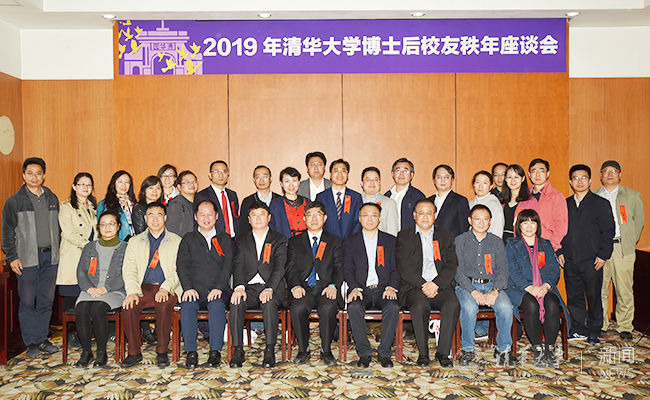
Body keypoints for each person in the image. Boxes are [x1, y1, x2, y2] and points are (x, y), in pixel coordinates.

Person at [1, 157, 60, 357]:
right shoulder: (14, 201)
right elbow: (7, 232)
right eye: (30, 173)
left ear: (44, 176)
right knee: (27, 302)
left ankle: (42, 339)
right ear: (24, 175)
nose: (34, 177)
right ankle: (31, 343)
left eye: (38, 173)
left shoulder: (52, 198)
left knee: (46, 301)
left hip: (50, 259)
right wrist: (12, 257)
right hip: (26, 260)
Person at [396, 199, 460, 367]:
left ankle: (443, 353)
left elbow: (451, 265)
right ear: (414, 215)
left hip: (440, 286)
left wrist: (436, 284)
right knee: (420, 305)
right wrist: (424, 285)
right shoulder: (404, 236)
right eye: (421, 213)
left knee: (453, 304)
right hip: (414, 287)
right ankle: (423, 354)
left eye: (429, 213)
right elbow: (404, 267)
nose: (425, 217)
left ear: (435, 216)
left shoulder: (446, 236)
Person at [120, 202, 183, 368]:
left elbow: (179, 270)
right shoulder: (134, 242)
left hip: (168, 287)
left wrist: (166, 288)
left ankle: (162, 351)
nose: (155, 219)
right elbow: (129, 269)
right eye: (151, 215)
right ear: (145, 218)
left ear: (165, 218)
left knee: (163, 304)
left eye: (159, 215)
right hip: (143, 287)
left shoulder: (177, 241)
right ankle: (134, 352)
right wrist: (132, 292)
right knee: (129, 306)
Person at [558, 165, 615, 344]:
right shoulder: (565, 204)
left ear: (590, 181)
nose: (580, 181)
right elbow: (558, 230)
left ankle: (594, 330)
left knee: (593, 296)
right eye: (575, 178)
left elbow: (608, 231)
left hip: (592, 260)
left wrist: (603, 255)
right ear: (570, 182)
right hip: (569, 259)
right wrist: (559, 251)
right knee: (574, 296)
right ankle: (578, 328)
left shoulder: (600, 203)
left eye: (583, 177)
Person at [506, 210, 569, 367]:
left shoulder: (546, 244)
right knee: (531, 305)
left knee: (552, 304)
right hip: (520, 288)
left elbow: (554, 268)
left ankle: (550, 348)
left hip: (544, 286)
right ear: (519, 226)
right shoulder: (511, 244)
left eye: (532, 222)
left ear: (538, 225)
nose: (529, 226)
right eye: (525, 222)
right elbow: (512, 269)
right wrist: (528, 287)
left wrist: (546, 285)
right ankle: (537, 348)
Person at [455, 205, 516, 366]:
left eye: (485, 219)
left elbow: (503, 269)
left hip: (491, 286)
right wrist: (473, 291)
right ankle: (468, 349)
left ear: (490, 222)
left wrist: (495, 291)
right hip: (467, 286)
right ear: (470, 220)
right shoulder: (460, 241)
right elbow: (457, 271)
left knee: (506, 307)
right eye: (477, 218)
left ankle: (503, 350)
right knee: (469, 307)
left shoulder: (496, 242)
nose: (481, 222)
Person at [229, 201, 287, 368]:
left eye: (262, 214)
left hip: (272, 287)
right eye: (254, 215)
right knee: (236, 302)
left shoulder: (279, 239)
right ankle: (238, 350)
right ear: (249, 219)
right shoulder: (241, 240)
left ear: (269, 217)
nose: (258, 218)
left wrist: (270, 288)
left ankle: (269, 350)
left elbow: (279, 267)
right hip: (249, 288)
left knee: (269, 303)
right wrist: (239, 287)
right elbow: (238, 265)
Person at [286, 201, 343, 366]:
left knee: (328, 307)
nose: (314, 218)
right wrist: (295, 286)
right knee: (298, 308)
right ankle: (303, 350)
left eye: (318, 214)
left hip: (325, 287)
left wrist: (333, 285)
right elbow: (290, 268)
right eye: (310, 215)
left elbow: (339, 267)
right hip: (303, 287)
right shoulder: (295, 241)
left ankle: (326, 350)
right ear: (304, 219)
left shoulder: (335, 241)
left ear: (325, 218)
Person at [177, 199, 232, 368]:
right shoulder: (188, 239)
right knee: (187, 305)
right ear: (195, 217)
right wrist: (188, 288)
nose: (206, 218)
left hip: (219, 290)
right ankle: (191, 352)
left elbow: (228, 266)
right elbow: (181, 266)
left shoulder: (225, 239)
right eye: (202, 214)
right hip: (194, 290)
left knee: (216, 305)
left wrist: (219, 287)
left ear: (216, 216)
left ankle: (215, 352)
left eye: (210, 214)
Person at [344, 203, 399, 368]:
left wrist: (392, 286)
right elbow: (347, 269)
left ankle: (385, 353)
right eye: (365, 215)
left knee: (393, 307)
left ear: (379, 218)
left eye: (374, 215)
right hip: (361, 289)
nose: (370, 219)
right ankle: (364, 353)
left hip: (384, 289)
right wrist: (353, 288)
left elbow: (396, 268)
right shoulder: (350, 241)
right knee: (353, 307)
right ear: (360, 218)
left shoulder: (390, 240)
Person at [597, 161, 644, 340]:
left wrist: (629, 241)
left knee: (624, 289)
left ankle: (624, 325)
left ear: (620, 175)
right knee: (599, 288)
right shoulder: (594, 196)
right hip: (600, 248)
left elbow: (638, 222)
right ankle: (601, 324)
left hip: (622, 247)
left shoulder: (632, 195)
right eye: (606, 171)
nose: (610, 174)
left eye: (614, 171)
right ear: (601, 175)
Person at [75, 211, 127, 368]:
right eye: (103, 224)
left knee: (98, 308)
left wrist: (106, 288)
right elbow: (81, 271)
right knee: (81, 309)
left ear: (118, 226)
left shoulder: (126, 248)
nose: (107, 227)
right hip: (90, 290)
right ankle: (86, 352)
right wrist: (88, 288)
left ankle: (101, 352)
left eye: (111, 224)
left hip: (115, 291)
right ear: (98, 227)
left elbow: (127, 273)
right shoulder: (89, 247)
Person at [57, 172, 98, 349]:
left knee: (87, 296)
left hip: (92, 258)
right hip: (74, 255)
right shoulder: (66, 207)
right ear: (74, 187)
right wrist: (88, 246)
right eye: (81, 184)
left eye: (89, 185)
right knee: (71, 296)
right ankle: (69, 334)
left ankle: (83, 333)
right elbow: (68, 233)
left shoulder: (94, 207)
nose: (85, 188)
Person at [316, 159, 362, 239]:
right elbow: (319, 222)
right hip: (328, 242)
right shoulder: (321, 197)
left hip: (350, 242)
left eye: (343, 171)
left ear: (347, 175)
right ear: (330, 175)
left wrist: (351, 241)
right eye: (336, 171)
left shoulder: (356, 197)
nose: (340, 174)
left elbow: (358, 222)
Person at [528, 159, 568, 251]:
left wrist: (551, 247)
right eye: (534, 171)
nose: (537, 175)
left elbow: (561, 226)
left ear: (547, 174)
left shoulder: (556, 196)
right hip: (526, 247)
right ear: (529, 174)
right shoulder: (525, 196)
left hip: (546, 246)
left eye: (541, 171)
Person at [195, 160, 240, 238]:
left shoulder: (232, 195)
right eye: (216, 171)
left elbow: (235, 218)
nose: (221, 175)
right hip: (214, 240)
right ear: (210, 175)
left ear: (228, 174)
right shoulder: (202, 196)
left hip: (233, 240)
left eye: (224, 171)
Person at [500, 164, 538, 242]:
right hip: (502, 243)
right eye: (510, 177)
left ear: (523, 178)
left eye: (516, 177)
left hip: (520, 243)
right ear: (505, 179)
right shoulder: (501, 200)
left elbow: (535, 225)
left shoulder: (530, 201)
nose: (513, 180)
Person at [385, 158, 426, 231]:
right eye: (398, 170)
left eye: (405, 171)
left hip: (409, 237)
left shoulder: (418, 197)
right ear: (393, 174)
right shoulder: (386, 196)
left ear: (412, 175)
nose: (401, 174)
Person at [429, 164, 470, 237]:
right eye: (439, 177)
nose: (443, 181)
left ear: (452, 180)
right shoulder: (428, 201)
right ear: (434, 180)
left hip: (451, 243)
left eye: (446, 177)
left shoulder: (460, 201)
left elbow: (464, 230)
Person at [269, 167, 310, 239]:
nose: (291, 185)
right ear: (281, 184)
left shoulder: (307, 202)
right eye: (287, 181)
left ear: (299, 182)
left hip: (306, 242)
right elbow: (271, 228)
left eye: (294, 180)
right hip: (284, 243)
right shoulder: (275, 204)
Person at [240, 165, 280, 235]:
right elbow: (243, 227)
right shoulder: (247, 201)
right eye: (258, 177)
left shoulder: (280, 200)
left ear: (271, 179)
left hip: (277, 240)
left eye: (265, 176)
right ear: (254, 180)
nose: (261, 180)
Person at [97, 171, 137, 241]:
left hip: (136, 243)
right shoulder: (104, 204)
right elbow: (102, 228)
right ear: (114, 184)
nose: (123, 185)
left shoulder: (135, 204)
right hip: (117, 243)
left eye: (127, 182)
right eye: (120, 181)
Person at [360, 167, 399, 236]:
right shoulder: (355, 201)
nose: (372, 183)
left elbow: (392, 233)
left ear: (380, 183)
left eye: (375, 180)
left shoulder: (389, 204)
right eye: (368, 180)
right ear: (362, 183)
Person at [469, 171, 504, 238]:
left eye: (485, 183)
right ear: (473, 185)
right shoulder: (470, 203)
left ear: (491, 186)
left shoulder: (494, 204)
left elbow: (497, 229)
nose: (480, 186)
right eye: (478, 182)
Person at [166, 170, 199, 237]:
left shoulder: (200, 203)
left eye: (194, 181)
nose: (192, 184)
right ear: (179, 187)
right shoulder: (175, 205)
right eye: (187, 182)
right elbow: (172, 232)